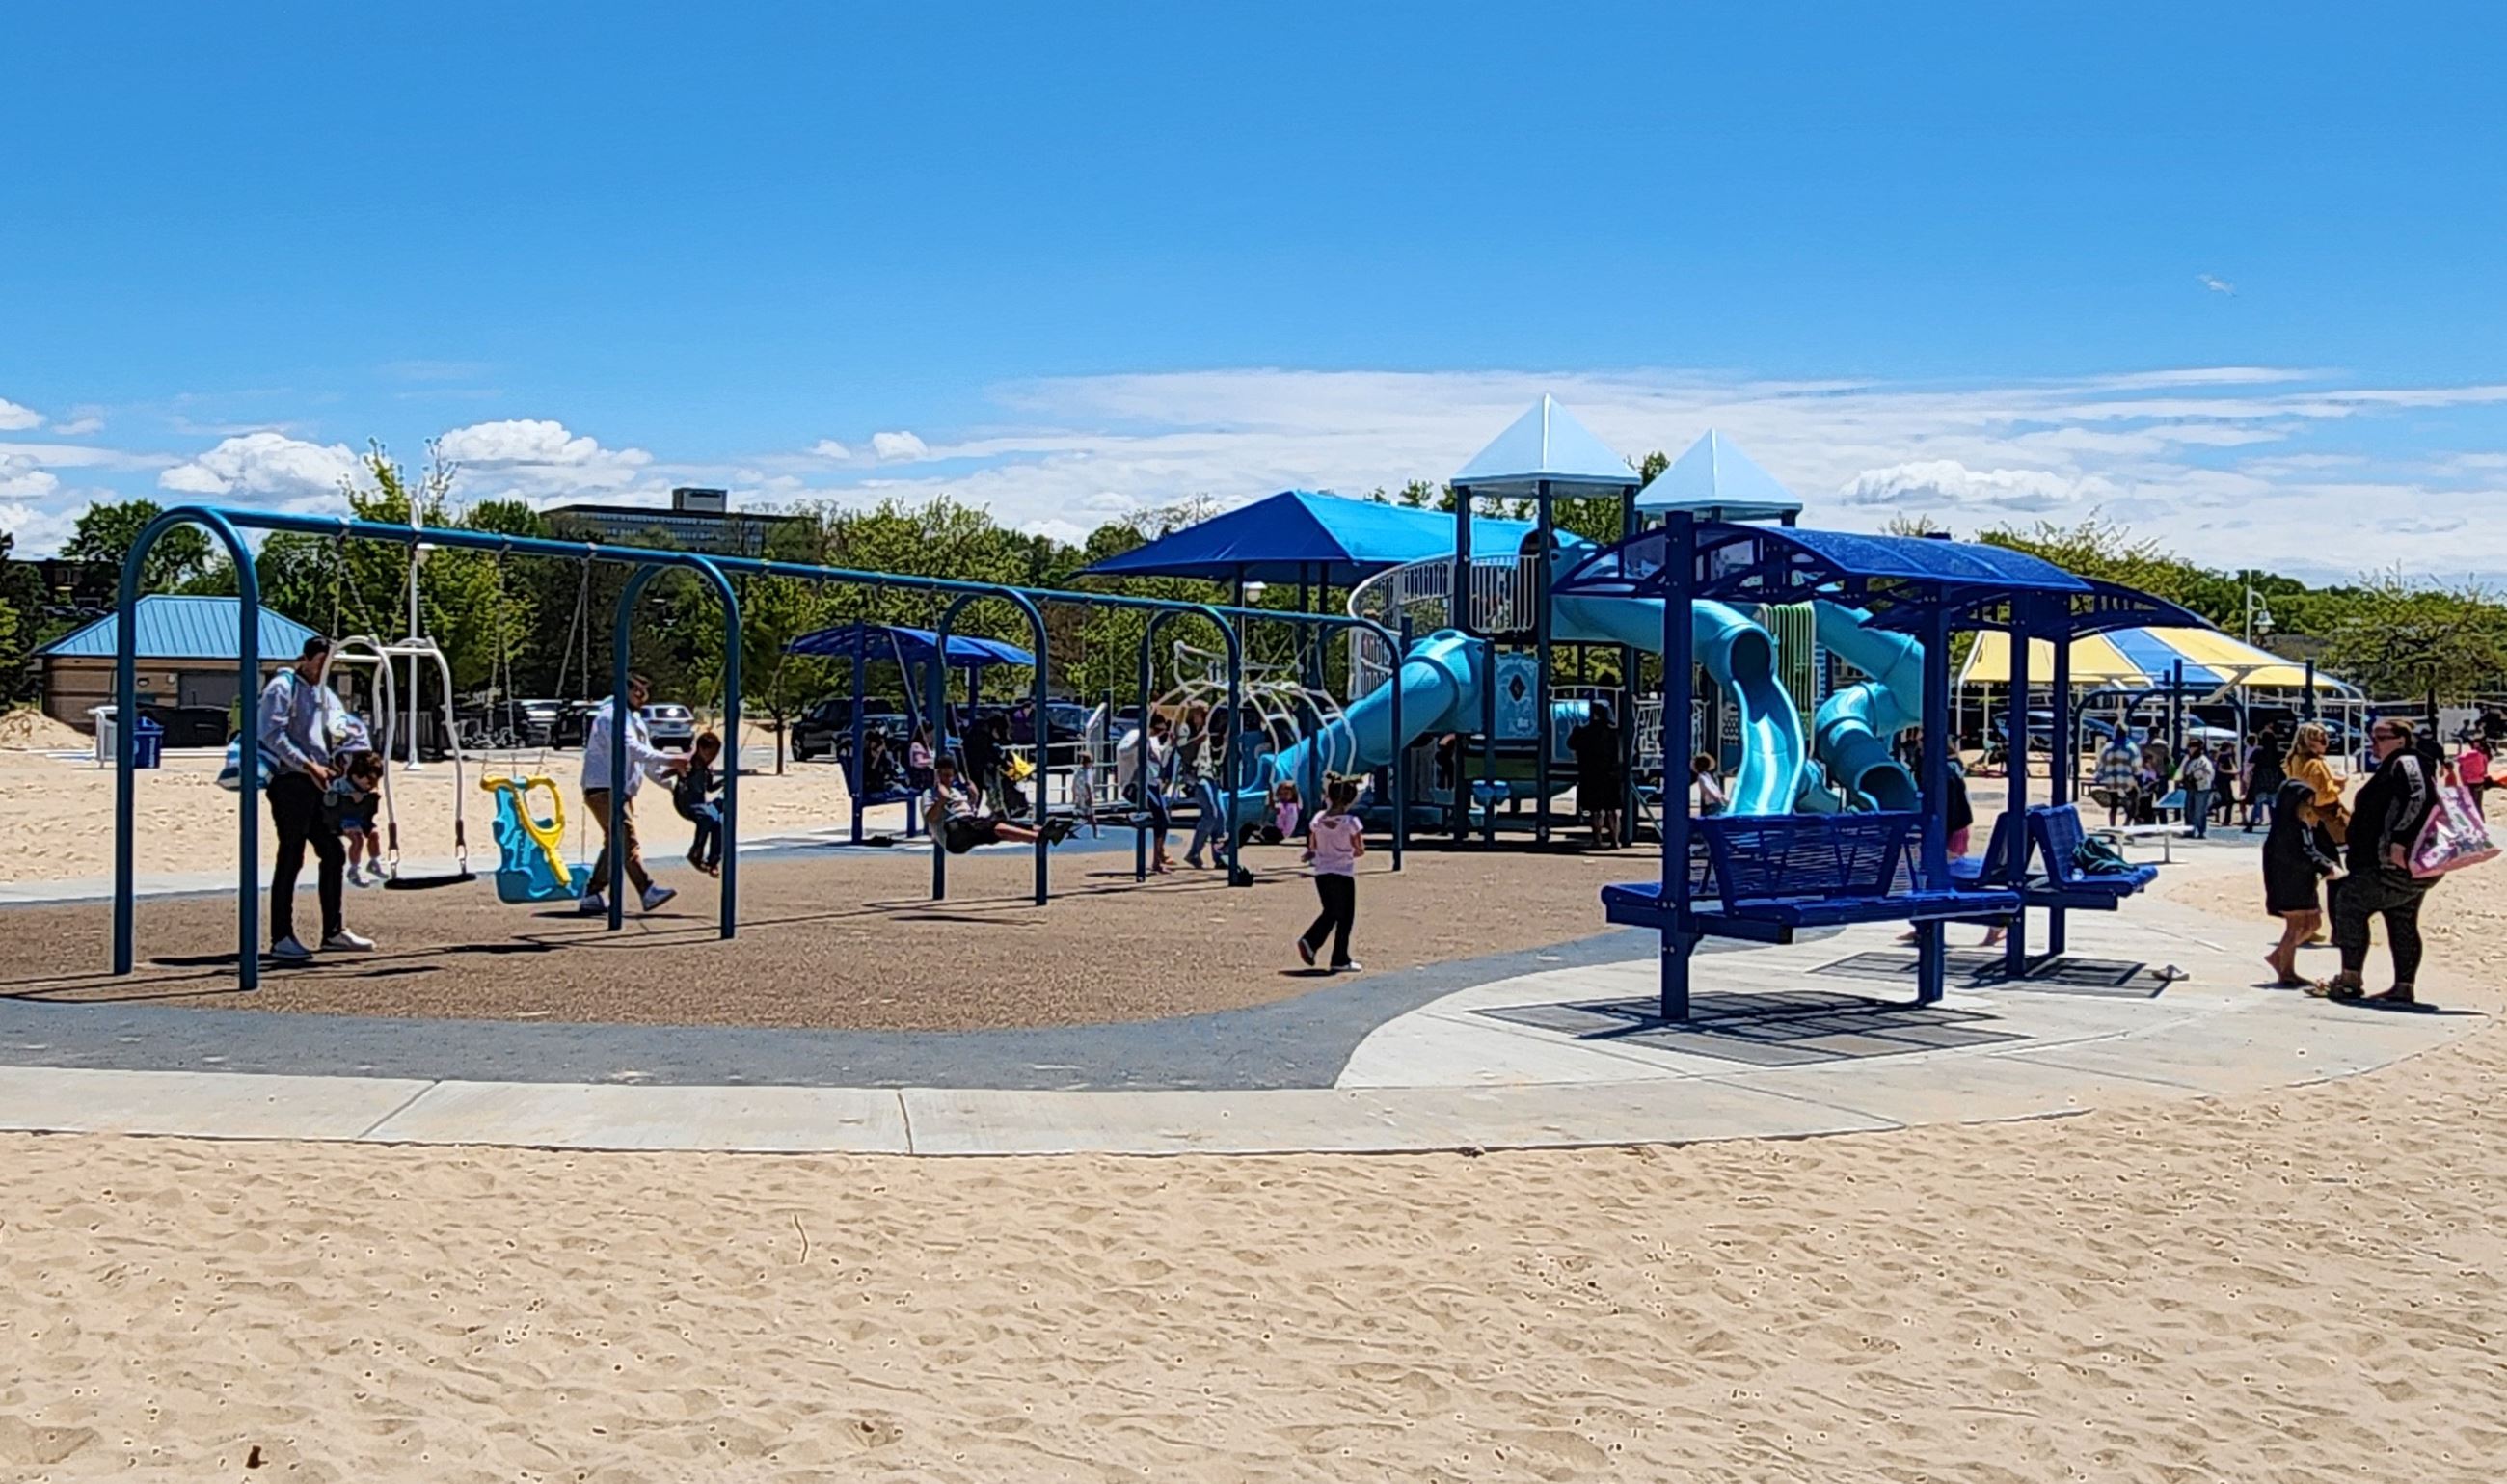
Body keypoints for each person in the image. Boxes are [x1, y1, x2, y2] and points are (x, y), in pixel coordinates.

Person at [256, 635, 371, 960]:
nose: (323, 669)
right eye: (321, 662)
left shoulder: (323, 693)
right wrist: (307, 766)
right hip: (290, 780)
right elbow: (271, 733)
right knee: (291, 854)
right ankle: (281, 935)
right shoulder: (282, 687)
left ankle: (333, 930)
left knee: (333, 851)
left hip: (320, 780)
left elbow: (340, 727)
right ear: (306, 658)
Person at [2314, 718, 2441, 1005]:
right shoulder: (2400, 764)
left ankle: (2349, 980)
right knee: (2402, 919)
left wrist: (2400, 839)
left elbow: (2421, 798)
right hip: (2398, 864)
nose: (2374, 742)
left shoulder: (2406, 762)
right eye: (2373, 736)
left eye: (2381, 736)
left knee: (2349, 901)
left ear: (2401, 739)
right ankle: (2403, 987)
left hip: (2389, 862)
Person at [579, 671, 687, 917]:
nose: (641, 695)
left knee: (615, 843)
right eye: (635, 689)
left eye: (644, 691)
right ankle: (646, 889)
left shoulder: (632, 719)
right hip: (605, 789)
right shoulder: (611, 716)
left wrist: (672, 784)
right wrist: (673, 758)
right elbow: (633, 750)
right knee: (627, 841)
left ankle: (593, 894)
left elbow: (646, 762)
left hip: (620, 790)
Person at [2261, 776, 2341, 986]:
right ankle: (2285, 968)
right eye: (2306, 803)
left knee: (2312, 923)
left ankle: (2280, 956)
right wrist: (2326, 867)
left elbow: (2311, 850)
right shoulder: (2285, 829)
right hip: (2289, 885)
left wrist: (2326, 864)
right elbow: (2302, 854)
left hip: (2303, 883)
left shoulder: (2300, 824)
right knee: (2296, 926)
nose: (2309, 808)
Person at [922, 753, 1069, 853]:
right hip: (951, 833)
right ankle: (1039, 837)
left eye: (950, 775)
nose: (947, 779)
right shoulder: (930, 793)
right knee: (993, 826)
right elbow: (930, 818)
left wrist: (973, 797)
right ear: (937, 774)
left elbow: (969, 812)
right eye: (944, 775)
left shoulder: (955, 792)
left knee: (999, 828)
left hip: (966, 826)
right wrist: (940, 800)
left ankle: (1042, 831)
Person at [1294, 775, 1367, 973]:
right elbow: (1359, 849)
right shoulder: (1351, 822)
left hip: (1322, 871)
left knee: (1331, 910)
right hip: (1342, 872)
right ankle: (1330, 951)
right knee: (1345, 915)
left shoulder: (1317, 819)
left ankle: (1317, 945)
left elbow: (1312, 846)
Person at [1114, 712, 1175, 873]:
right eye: (1156, 730)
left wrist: (1170, 743)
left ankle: (1158, 857)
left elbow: (1159, 757)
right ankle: (1159, 852)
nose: (1158, 733)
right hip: (1134, 784)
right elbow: (1122, 751)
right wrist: (1138, 743)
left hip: (1152, 783)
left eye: (1161, 731)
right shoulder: (1136, 734)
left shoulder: (1153, 740)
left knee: (1164, 819)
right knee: (1158, 814)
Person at [324, 747, 388, 887]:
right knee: (357, 839)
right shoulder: (341, 784)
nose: (369, 785)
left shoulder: (368, 789)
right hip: (345, 820)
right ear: (355, 776)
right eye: (367, 781)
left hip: (362, 818)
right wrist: (347, 797)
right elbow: (329, 800)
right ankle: (354, 869)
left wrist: (370, 797)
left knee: (374, 834)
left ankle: (374, 862)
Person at [1568, 701, 1625, 849]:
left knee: (1596, 810)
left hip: (1591, 774)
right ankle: (1615, 840)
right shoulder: (1613, 733)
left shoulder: (1584, 732)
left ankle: (1597, 839)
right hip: (1611, 774)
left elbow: (1571, 744)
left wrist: (1576, 730)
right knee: (1612, 809)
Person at [674, 730, 726, 877]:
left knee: (717, 823)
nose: (712, 758)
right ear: (701, 749)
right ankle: (696, 851)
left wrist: (724, 782)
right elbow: (676, 773)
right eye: (710, 754)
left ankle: (713, 861)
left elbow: (709, 788)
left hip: (700, 804)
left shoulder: (706, 769)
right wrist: (682, 775)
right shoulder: (690, 764)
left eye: (715, 755)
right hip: (686, 804)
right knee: (708, 818)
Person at [2246, 728, 2288, 831]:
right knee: (2273, 804)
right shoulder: (2278, 750)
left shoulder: (2258, 751)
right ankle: (2275, 825)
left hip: (2261, 779)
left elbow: (2250, 765)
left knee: (2258, 804)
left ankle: (2251, 825)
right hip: (2275, 779)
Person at [2092, 731, 2139, 825]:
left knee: (2113, 806)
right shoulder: (2132, 748)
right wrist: (2139, 776)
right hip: (2127, 783)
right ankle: (2127, 823)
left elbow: (2102, 764)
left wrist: (2098, 776)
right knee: (2133, 802)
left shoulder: (2107, 748)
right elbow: (2136, 766)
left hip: (2112, 783)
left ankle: (2112, 826)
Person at [2179, 739, 2217, 840]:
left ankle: (2201, 832)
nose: (2190, 749)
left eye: (2193, 746)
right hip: (2190, 788)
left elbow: (2207, 774)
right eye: (2190, 746)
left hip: (2201, 788)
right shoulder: (2188, 759)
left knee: (2199, 811)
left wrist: (2195, 778)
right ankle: (2188, 831)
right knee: (2188, 811)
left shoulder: (2203, 760)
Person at [1262, 779, 1303, 845]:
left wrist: (1270, 792)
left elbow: (1272, 805)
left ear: (1292, 794)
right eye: (1281, 794)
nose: (1283, 796)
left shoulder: (1288, 806)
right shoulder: (1295, 806)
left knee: (1262, 829)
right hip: (1284, 833)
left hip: (1280, 833)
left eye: (1286, 794)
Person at [1691, 753, 1727, 817]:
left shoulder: (1704, 776)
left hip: (1712, 804)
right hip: (1713, 804)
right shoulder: (1705, 777)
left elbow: (1710, 789)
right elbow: (1711, 790)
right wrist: (1721, 800)